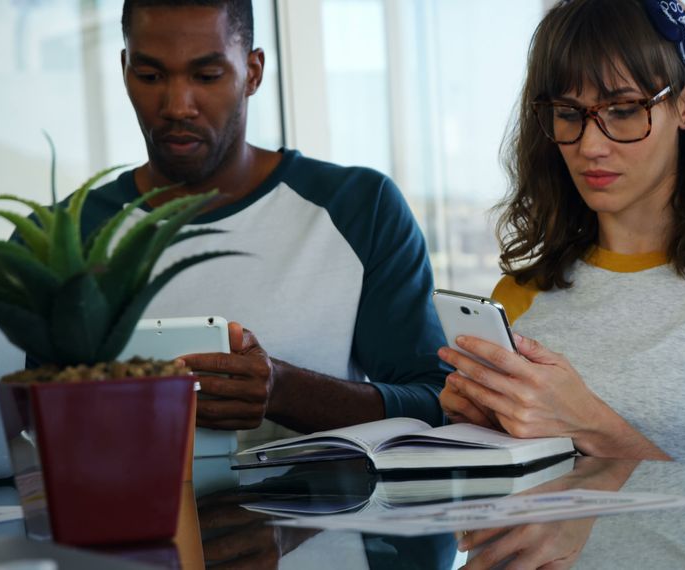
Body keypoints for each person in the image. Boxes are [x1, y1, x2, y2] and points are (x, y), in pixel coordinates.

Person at [438, 0, 685, 466]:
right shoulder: (518, 296)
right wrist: (480, 438)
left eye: (622, 110)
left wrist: (588, 424)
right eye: (568, 113)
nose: (590, 146)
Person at [72, 0, 449, 438]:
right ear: (125, 70)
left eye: (207, 76)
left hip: (323, 505)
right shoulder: (68, 237)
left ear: (252, 72)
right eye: (151, 76)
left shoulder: (359, 208)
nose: (177, 106)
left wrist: (285, 391)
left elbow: (438, 403)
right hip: (129, 507)